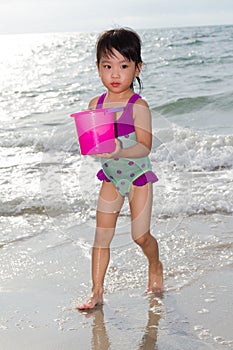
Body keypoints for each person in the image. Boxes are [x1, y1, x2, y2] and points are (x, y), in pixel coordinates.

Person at [77, 27, 163, 310]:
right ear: (98, 68)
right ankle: (97, 292)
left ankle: (155, 264)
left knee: (140, 236)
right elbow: (92, 146)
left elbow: (144, 146)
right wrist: (91, 144)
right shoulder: (95, 105)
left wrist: (120, 150)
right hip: (112, 177)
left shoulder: (139, 106)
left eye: (124, 66)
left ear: (137, 68)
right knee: (101, 236)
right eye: (107, 66)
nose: (115, 74)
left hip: (138, 176)